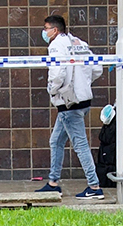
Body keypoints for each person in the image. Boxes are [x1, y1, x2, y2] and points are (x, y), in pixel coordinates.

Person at [35, 14, 105, 200]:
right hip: (82, 100)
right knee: (56, 141)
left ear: (55, 30)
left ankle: (94, 186)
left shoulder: (56, 46)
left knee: (80, 145)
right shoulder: (79, 43)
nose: (44, 32)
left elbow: (57, 72)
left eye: (46, 28)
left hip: (68, 103)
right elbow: (97, 68)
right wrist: (84, 82)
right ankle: (53, 183)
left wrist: (53, 90)